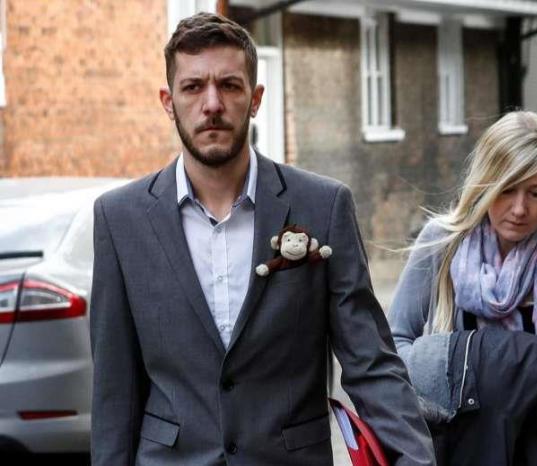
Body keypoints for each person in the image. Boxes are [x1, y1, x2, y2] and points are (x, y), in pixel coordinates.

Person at [90, 12, 434, 466]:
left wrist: (414, 456)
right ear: (168, 102)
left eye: (229, 86)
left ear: (255, 99)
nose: (212, 103)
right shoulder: (120, 219)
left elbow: (370, 361)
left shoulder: (322, 206)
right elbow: (115, 389)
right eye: (193, 87)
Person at [389, 111, 537, 465]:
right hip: (456, 448)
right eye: (506, 190)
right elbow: (392, 346)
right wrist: (452, 370)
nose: (519, 208)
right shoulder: (441, 244)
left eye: (536, 193)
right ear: (484, 184)